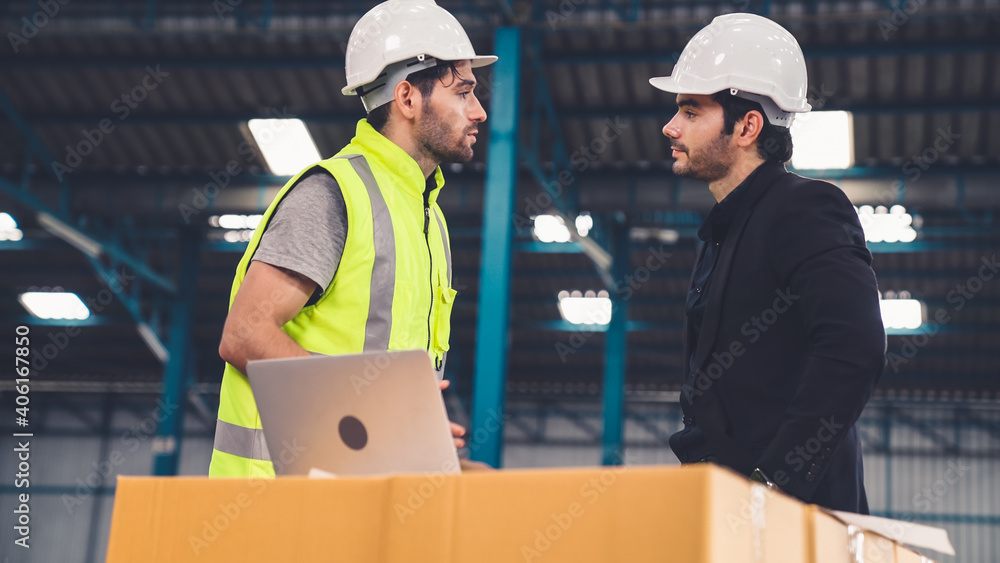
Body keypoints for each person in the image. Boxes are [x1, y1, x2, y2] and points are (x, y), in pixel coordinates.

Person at [209, 0, 496, 477]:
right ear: (407, 98)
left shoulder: (427, 216)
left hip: (352, 501)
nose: (479, 111)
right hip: (276, 509)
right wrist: (380, 414)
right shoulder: (332, 195)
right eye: (464, 92)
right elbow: (243, 335)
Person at [648, 13, 886, 512]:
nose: (670, 127)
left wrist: (773, 486)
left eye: (691, 112)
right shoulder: (724, 228)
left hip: (794, 518)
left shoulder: (805, 209)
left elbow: (854, 346)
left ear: (748, 125)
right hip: (731, 507)